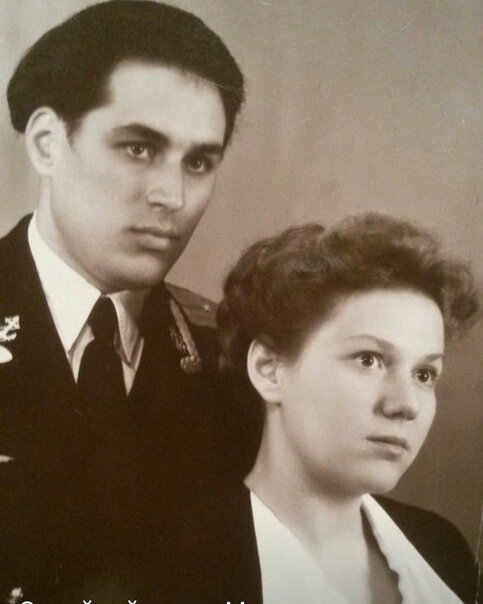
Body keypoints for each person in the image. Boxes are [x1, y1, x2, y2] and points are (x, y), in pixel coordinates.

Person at [0, 1, 244, 602]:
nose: (172, 196)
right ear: (48, 143)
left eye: (198, 161)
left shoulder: (231, 362)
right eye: (139, 148)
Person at [177, 213, 480, 603]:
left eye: (424, 374)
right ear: (269, 369)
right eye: (368, 360)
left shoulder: (442, 549)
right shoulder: (180, 568)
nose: (406, 405)